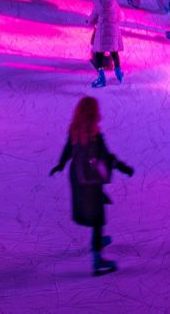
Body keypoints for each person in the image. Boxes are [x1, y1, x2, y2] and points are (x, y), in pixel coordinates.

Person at [47, 97, 133, 277]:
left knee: (90, 211)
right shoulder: (95, 135)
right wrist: (124, 167)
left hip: (77, 178)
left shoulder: (75, 132)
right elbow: (107, 157)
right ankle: (98, 260)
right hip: (91, 178)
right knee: (98, 218)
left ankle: (98, 242)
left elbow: (67, 150)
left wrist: (60, 165)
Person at [85, 0, 124, 87]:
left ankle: (102, 78)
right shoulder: (114, 2)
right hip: (113, 30)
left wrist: (88, 22)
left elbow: (93, 17)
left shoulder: (98, 2)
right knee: (114, 52)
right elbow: (120, 16)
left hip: (102, 31)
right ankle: (119, 73)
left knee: (99, 53)